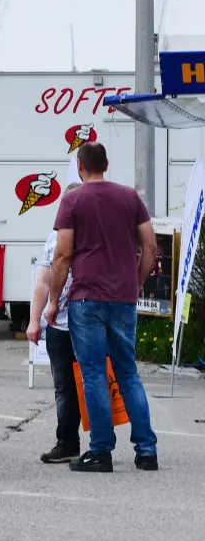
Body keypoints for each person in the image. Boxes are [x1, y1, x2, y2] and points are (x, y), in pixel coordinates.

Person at [48, 142, 159, 473]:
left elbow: (63, 255)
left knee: (94, 372)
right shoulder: (129, 197)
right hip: (123, 297)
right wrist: (135, 282)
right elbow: (150, 245)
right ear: (106, 164)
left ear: (80, 167)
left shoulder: (73, 200)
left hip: (87, 297)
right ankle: (146, 450)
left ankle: (100, 451)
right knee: (127, 371)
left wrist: (54, 301)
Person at [26, 185, 83, 465]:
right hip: (59, 322)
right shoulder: (53, 239)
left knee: (94, 381)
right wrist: (34, 320)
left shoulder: (93, 237)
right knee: (64, 385)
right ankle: (68, 441)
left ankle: (101, 442)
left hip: (88, 320)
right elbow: (43, 282)